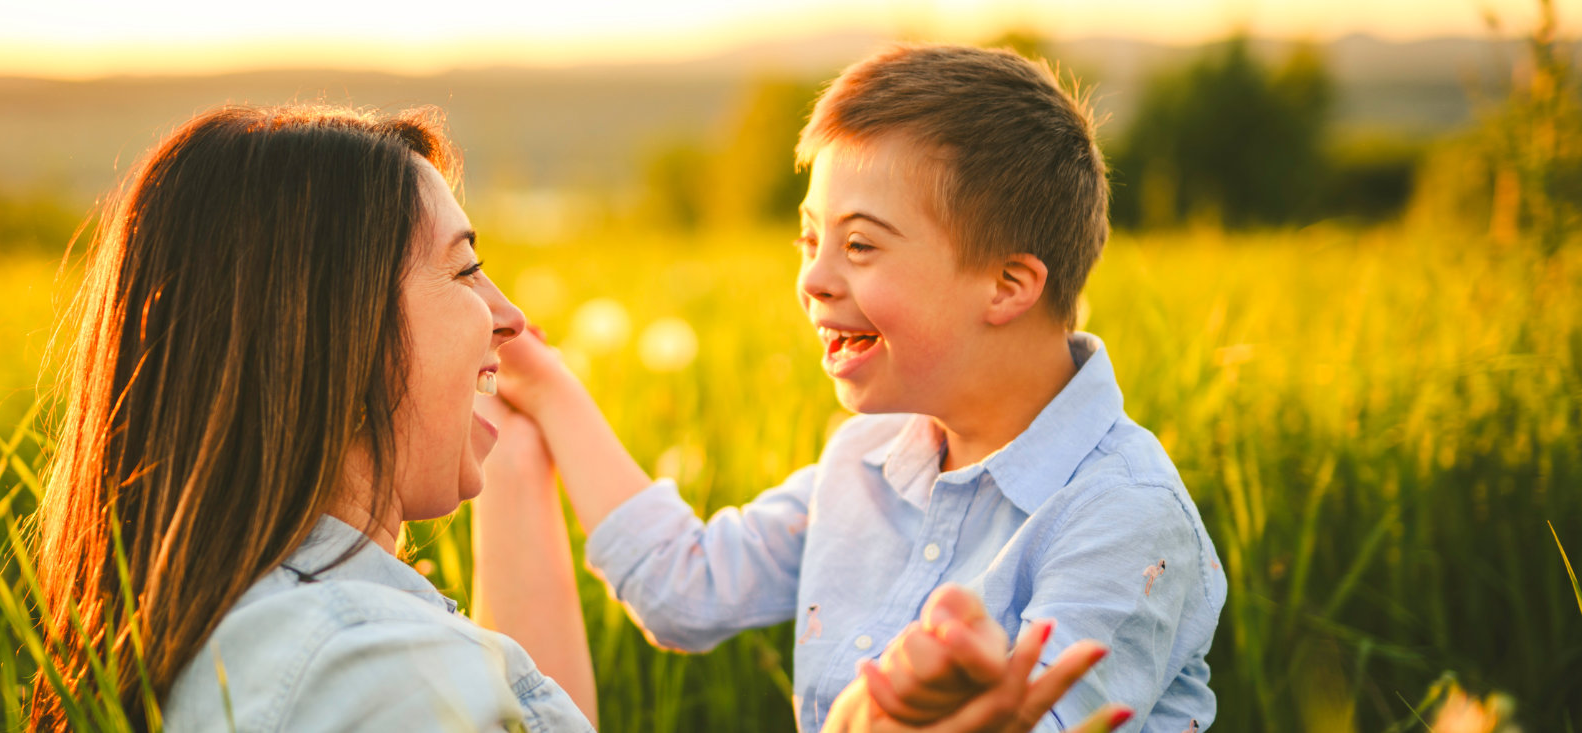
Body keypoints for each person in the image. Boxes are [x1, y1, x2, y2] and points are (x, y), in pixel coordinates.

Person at [25, 103, 1121, 733]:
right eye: (465, 272)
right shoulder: (363, 675)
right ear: (333, 326)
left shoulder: (310, 618)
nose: (507, 319)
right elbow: (681, 587)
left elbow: (528, 695)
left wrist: (518, 450)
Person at [490, 44, 1228, 732]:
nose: (811, 279)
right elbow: (685, 589)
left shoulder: (1123, 514)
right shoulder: (866, 457)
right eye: (809, 240)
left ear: (1007, 285)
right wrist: (546, 385)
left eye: (860, 245)